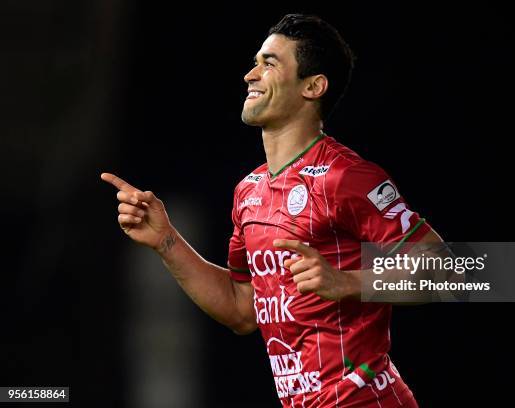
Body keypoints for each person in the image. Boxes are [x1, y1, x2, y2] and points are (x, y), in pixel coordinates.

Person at [102, 14, 445, 407]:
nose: (251, 74)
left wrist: (349, 282)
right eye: (255, 62)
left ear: (313, 86)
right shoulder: (250, 190)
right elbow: (242, 309)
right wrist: (166, 240)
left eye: (270, 64)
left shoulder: (344, 177)